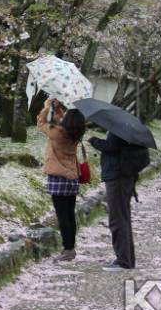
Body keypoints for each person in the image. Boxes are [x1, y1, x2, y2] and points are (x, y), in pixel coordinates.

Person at [89, 127, 148, 271]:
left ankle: (123, 261)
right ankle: (128, 259)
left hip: (117, 177)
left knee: (117, 220)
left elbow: (110, 146)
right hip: (123, 176)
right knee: (123, 218)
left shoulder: (117, 130)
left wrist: (93, 140)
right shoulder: (125, 128)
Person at [37, 98, 83, 261]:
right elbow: (63, 121)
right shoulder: (75, 133)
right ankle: (71, 247)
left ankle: (68, 249)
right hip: (72, 178)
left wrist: (46, 107)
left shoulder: (57, 133)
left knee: (62, 216)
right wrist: (57, 110)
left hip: (58, 178)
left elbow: (41, 123)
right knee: (69, 214)